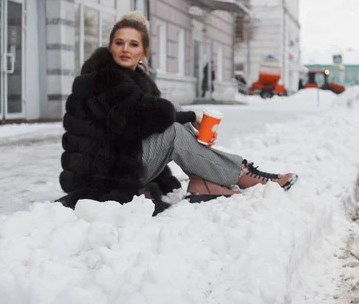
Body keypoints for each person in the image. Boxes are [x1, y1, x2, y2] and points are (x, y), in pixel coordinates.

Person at [57, 12, 298, 215]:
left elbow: (149, 115)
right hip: (101, 176)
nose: (125, 49)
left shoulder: (133, 79)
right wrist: (191, 118)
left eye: (133, 44)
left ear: (144, 52)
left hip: (120, 161)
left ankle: (206, 179)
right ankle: (238, 174)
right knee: (173, 125)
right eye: (119, 43)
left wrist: (186, 124)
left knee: (175, 113)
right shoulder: (100, 78)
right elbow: (134, 118)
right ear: (110, 47)